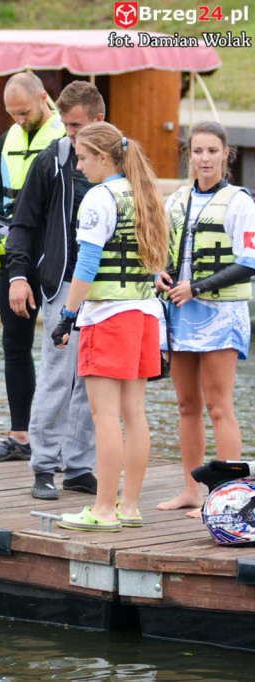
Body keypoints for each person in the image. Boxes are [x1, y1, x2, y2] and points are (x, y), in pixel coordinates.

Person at [52, 122, 169, 532]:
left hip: (108, 315)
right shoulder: (145, 192)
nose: (79, 166)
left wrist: (67, 315)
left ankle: (102, 510)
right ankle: (129, 506)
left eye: (83, 158)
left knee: (105, 416)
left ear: (104, 157)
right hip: (145, 314)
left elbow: (86, 264)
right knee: (135, 414)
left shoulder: (99, 198)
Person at [3, 81, 105, 500]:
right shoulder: (53, 160)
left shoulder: (126, 159)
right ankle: (44, 466)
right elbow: (23, 222)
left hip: (110, 288)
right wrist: (18, 275)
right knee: (57, 377)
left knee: (94, 379)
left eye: (77, 125)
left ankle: (80, 466)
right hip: (63, 283)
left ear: (99, 120)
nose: (70, 134)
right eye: (65, 124)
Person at [155, 121, 255, 518]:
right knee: (186, 405)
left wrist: (195, 287)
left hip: (220, 314)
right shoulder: (176, 200)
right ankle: (191, 490)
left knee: (218, 406)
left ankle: (228, 495)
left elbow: (249, 262)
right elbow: (160, 252)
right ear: (189, 155)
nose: (205, 158)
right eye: (197, 151)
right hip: (179, 312)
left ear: (226, 155)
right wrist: (158, 273)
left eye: (212, 151)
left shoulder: (240, 202)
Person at [0, 72, 66, 463]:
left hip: (56, 255)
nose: (18, 120)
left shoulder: (66, 140)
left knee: (62, 351)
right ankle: (20, 436)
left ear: (44, 99)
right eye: (11, 114)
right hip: (15, 254)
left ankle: (61, 442)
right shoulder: (7, 139)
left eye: (24, 112)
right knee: (14, 344)